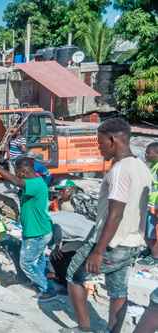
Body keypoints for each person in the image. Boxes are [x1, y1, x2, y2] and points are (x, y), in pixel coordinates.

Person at [63, 118, 152, 333]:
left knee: (74, 276)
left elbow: (115, 214)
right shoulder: (142, 167)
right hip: (132, 242)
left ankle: (84, 328)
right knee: (118, 290)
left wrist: (98, 251)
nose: (99, 147)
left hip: (111, 241)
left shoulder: (121, 170)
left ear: (112, 140)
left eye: (100, 142)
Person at [0, 153, 56, 301]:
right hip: (37, 230)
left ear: (24, 171)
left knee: (26, 263)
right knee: (37, 260)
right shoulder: (34, 182)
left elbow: (17, 182)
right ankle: (41, 283)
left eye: (18, 172)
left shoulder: (36, 183)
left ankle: (47, 289)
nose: (17, 175)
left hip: (36, 232)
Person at [50, 211, 95, 288]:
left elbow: (57, 228)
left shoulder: (46, 221)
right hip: (90, 229)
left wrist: (56, 247)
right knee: (61, 255)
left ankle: (69, 285)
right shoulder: (51, 214)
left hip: (88, 236)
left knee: (57, 257)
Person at [138, 142, 158, 266]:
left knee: (151, 234)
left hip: (154, 207)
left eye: (148, 153)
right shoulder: (154, 165)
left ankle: (155, 256)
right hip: (150, 205)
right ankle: (150, 250)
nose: (146, 155)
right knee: (146, 232)